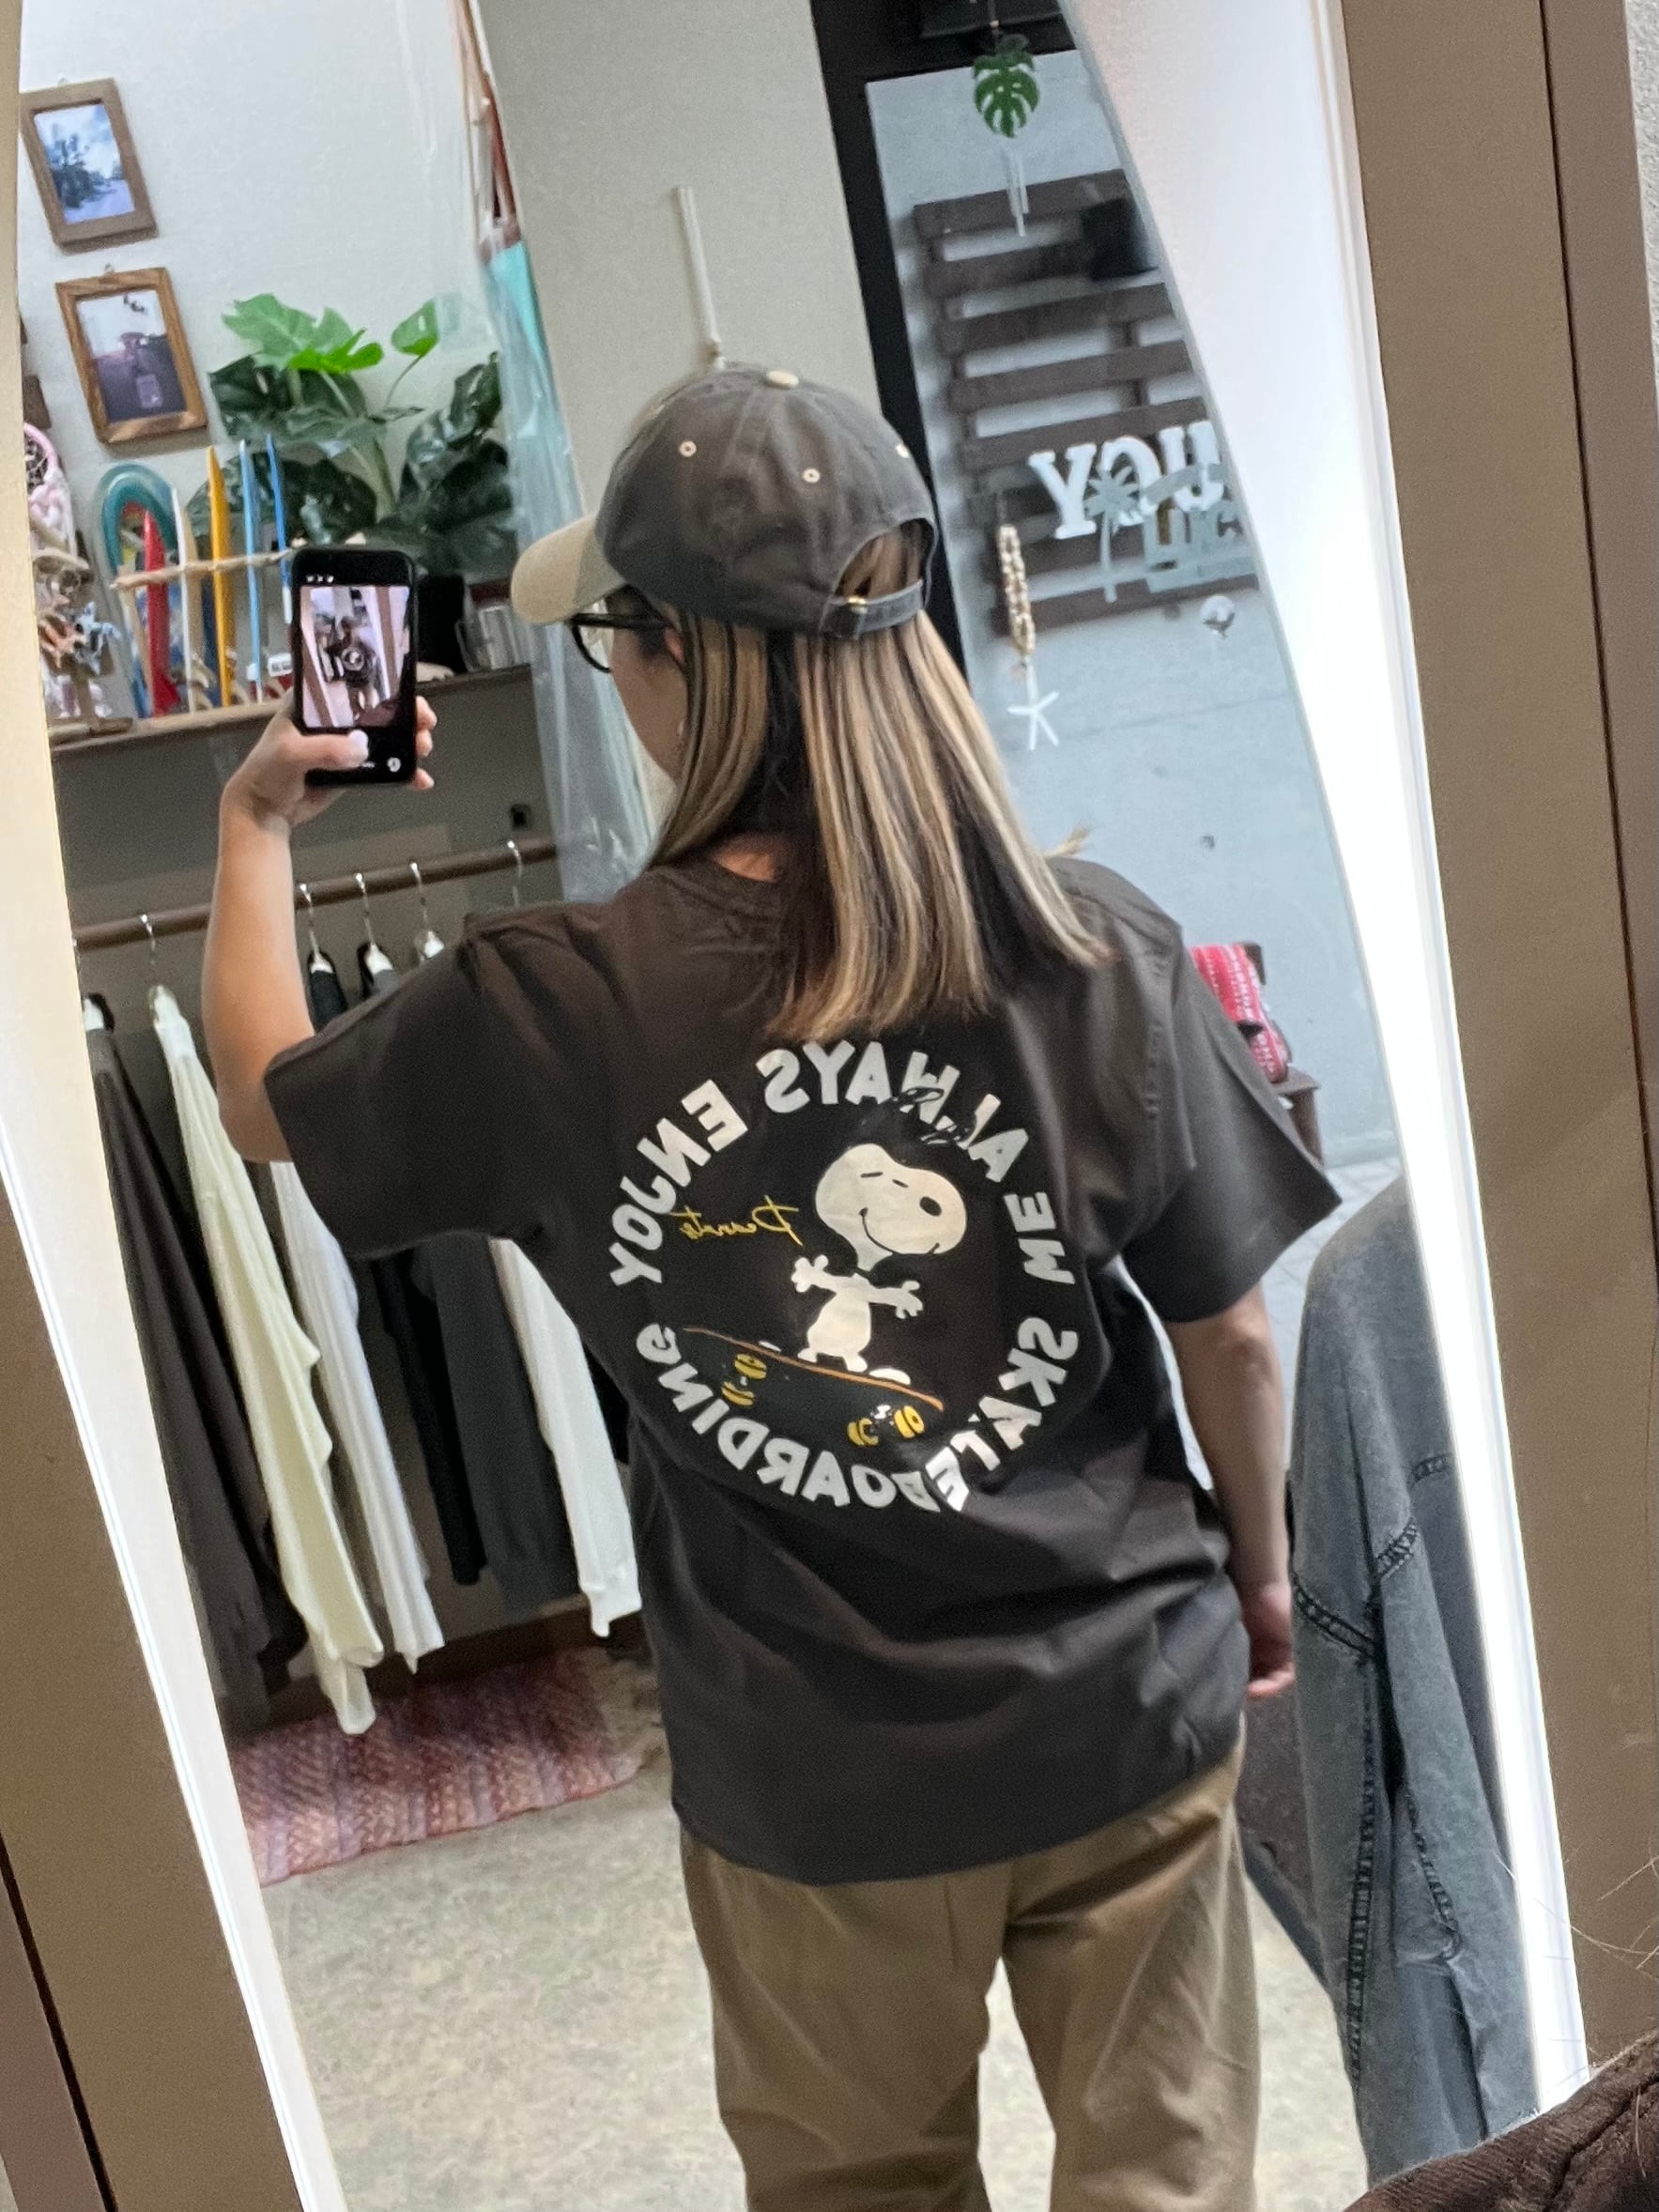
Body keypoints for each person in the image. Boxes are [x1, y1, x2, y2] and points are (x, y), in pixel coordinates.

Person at [205, 365, 1337, 2212]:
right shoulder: (1100, 946)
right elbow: (1226, 1332)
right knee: (1166, 2181)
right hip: (1120, 1696)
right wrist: (1262, 1572)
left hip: (814, 1772)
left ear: (676, 661)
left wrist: (256, 822)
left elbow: (262, 1099)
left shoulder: (546, 1007)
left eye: (612, 642)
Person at [331, 615, 382, 719]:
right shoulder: (342, 645)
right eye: (352, 628)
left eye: (354, 628)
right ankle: (364, 719)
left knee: (363, 705)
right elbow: (373, 655)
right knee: (357, 705)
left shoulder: (361, 644)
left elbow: (373, 655)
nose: (353, 631)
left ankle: (365, 719)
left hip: (362, 679)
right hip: (356, 680)